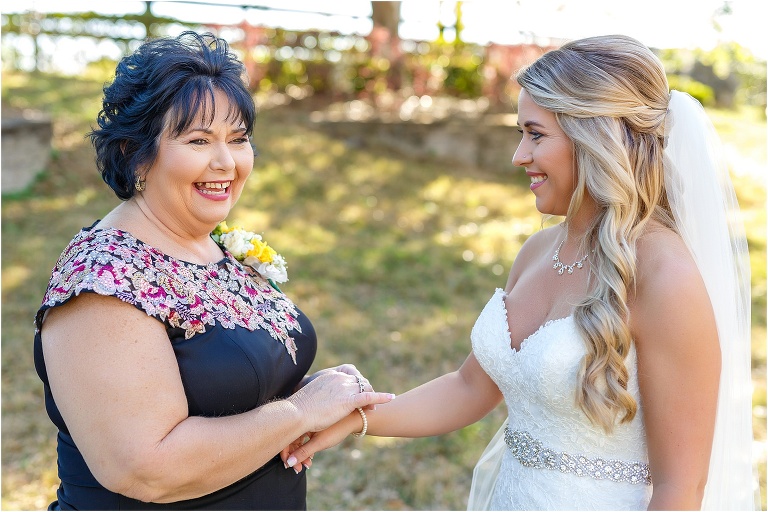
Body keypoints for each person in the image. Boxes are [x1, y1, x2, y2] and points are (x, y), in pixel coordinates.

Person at [284, 34, 756, 509]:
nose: (519, 156)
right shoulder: (539, 250)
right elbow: (470, 387)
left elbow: (682, 488)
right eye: (520, 133)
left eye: (536, 134)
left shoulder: (664, 275)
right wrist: (358, 417)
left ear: (593, 138)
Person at [33, 31, 394, 510]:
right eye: (199, 139)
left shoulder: (210, 245)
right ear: (134, 153)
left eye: (238, 138)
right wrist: (299, 411)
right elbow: (146, 470)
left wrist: (316, 392)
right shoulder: (103, 280)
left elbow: (221, 385)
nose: (226, 162)